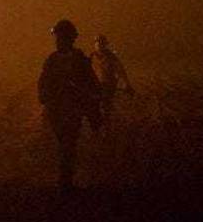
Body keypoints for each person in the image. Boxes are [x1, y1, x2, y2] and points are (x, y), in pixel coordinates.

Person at [37, 19, 103, 193]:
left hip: (72, 109)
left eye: (61, 37)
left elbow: (91, 83)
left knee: (68, 144)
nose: (58, 41)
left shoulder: (80, 60)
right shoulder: (52, 60)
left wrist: (93, 105)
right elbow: (43, 82)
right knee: (65, 144)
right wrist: (45, 95)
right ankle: (65, 180)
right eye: (57, 38)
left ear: (70, 39)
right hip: (56, 110)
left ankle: (65, 182)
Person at [91, 34, 134, 113]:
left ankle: (108, 119)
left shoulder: (111, 57)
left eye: (101, 42)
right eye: (97, 42)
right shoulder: (92, 56)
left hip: (108, 85)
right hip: (96, 85)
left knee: (106, 105)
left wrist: (126, 83)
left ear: (105, 44)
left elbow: (120, 70)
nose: (99, 44)